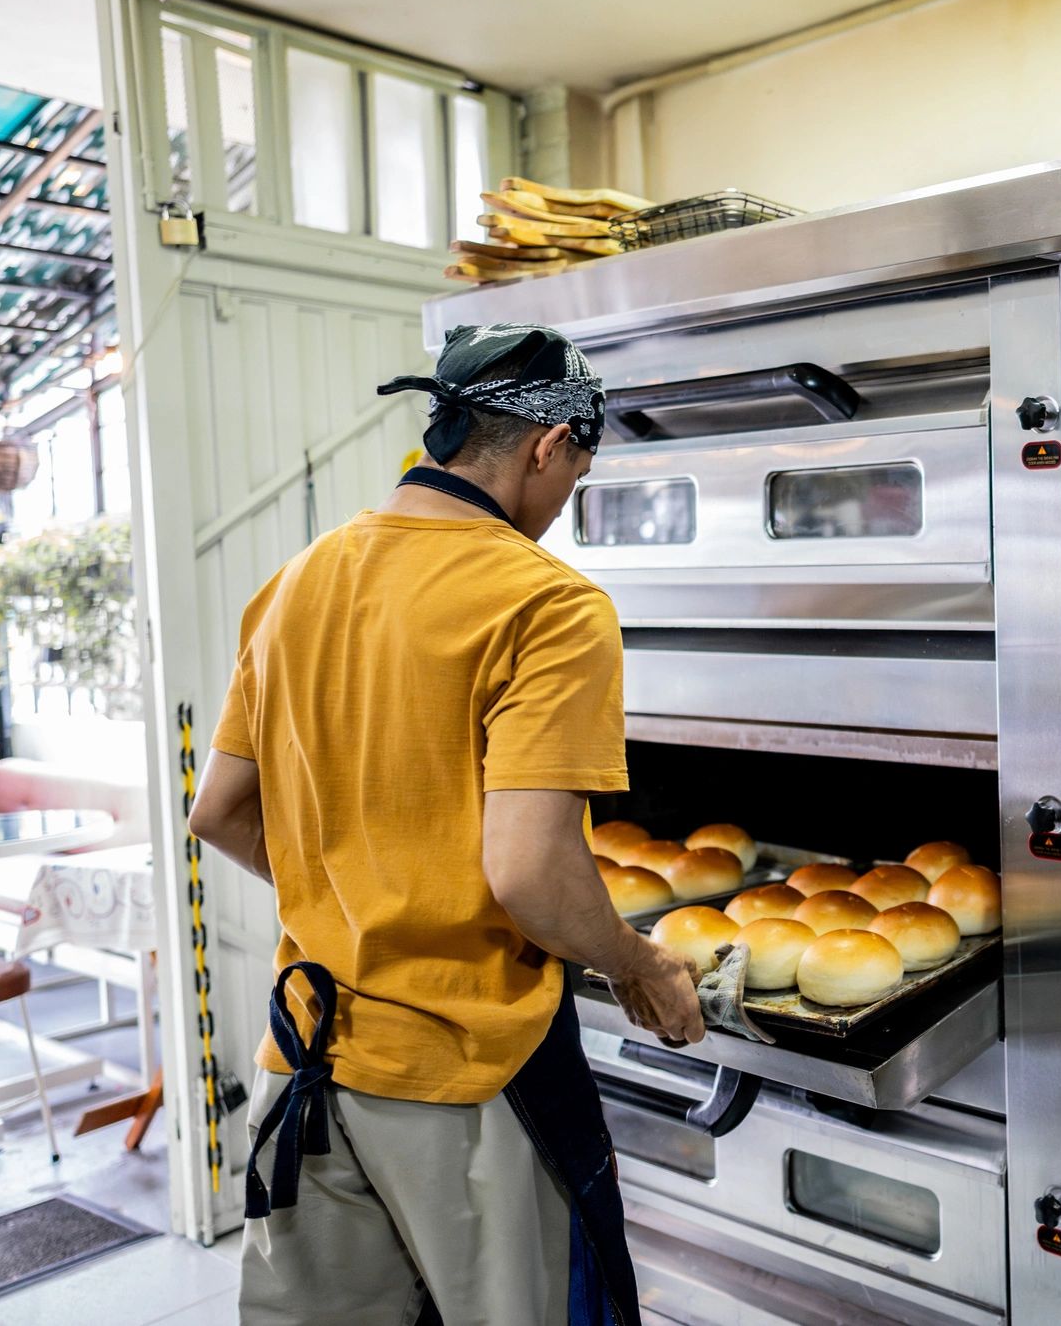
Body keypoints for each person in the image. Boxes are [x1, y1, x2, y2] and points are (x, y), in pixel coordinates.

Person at [187, 322, 703, 1326]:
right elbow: (529, 874)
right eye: (577, 476)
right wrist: (639, 964)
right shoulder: (546, 602)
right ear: (549, 446)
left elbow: (221, 810)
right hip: (470, 1084)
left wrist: (360, 894)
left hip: (304, 1066)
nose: (562, 510)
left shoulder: (296, 583)